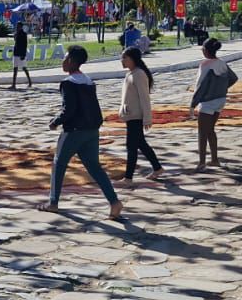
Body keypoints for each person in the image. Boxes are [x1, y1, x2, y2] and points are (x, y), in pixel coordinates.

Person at [42, 46, 123, 220]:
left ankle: (53, 202)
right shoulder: (88, 81)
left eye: (65, 58)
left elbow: (69, 109)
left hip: (74, 131)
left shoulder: (68, 83)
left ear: (71, 61)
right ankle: (114, 202)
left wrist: (55, 122)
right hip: (92, 130)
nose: (63, 61)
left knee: (59, 164)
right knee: (95, 167)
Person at [191, 38, 238, 170]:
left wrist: (193, 103)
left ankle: (201, 162)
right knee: (210, 129)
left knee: (202, 132)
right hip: (220, 100)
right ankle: (214, 159)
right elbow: (233, 78)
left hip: (208, 102)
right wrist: (221, 88)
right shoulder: (222, 63)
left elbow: (200, 86)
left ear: (205, 50)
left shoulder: (205, 65)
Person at [119, 47, 163, 183]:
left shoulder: (139, 74)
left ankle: (128, 177)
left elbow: (145, 98)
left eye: (124, 57)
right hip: (130, 115)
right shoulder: (130, 74)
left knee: (131, 146)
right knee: (140, 144)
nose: (122, 60)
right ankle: (157, 168)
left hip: (136, 116)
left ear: (132, 59)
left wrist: (147, 118)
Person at [8, 22, 32, 91]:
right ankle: (13, 84)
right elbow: (15, 41)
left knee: (24, 68)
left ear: (21, 27)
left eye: (18, 26)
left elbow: (25, 45)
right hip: (16, 53)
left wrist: (23, 54)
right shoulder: (16, 33)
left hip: (21, 53)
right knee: (15, 69)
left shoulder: (24, 34)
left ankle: (30, 81)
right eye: (17, 26)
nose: (17, 27)